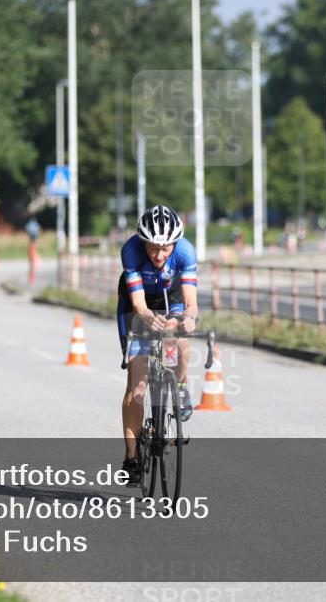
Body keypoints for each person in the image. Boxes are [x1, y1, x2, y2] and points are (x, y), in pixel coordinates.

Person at [116, 205, 199, 484]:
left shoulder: (186, 253)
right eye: (153, 247)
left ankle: (180, 385)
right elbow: (139, 305)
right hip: (136, 303)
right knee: (137, 383)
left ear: (175, 244)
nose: (159, 254)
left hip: (170, 296)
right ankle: (131, 458)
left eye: (165, 248)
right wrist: (148, 319)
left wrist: (189, 319)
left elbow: (191, 302)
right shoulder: (131, 252)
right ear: (144, 242)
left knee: (180, 339)